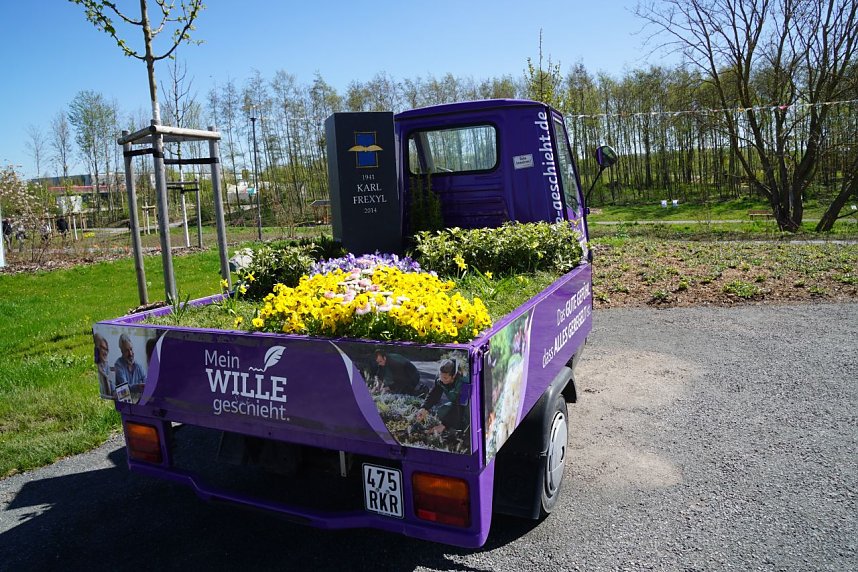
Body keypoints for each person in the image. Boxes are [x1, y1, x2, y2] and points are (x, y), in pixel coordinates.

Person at [415, 359, 469, 436]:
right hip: (456, 402)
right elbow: (434, 394)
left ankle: (463, 433)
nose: (442, 380)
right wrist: (424, 408)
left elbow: (461, 405)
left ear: (453, 375)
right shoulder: (440, 377)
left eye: (445, 378)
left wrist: (444, 425)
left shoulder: (465, 382)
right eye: (441, 376)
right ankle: (451, 427)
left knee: (465, 417)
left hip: (469, 404)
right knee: (441, 412)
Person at [94, 333, 112, 398]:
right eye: (103, 348)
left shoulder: (106, 365)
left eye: (107, 349)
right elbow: (97, 394)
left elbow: (112, 388)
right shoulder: (94, 368)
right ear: (96, 349)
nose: (106, 352)